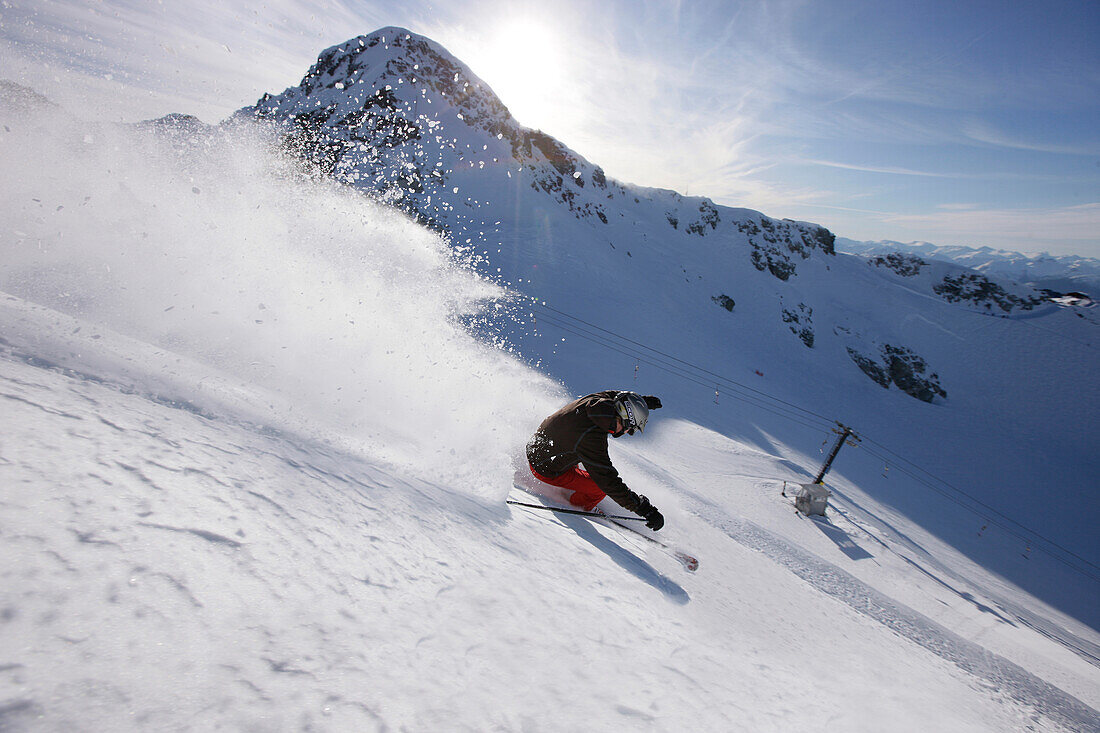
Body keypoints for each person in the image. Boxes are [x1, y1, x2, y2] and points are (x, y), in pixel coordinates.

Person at [526, 390, 665, 530]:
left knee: (589, 463)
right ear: (622, 417)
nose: (626, 433)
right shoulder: (591, 439)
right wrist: (645, 509)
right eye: (629, 428)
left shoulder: (598, 401)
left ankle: (576, 489)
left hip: (545, 447)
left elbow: (618, 396)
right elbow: (608, 482)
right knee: (599, 489)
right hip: (545, 467)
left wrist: (641, 402)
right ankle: (577, 507)